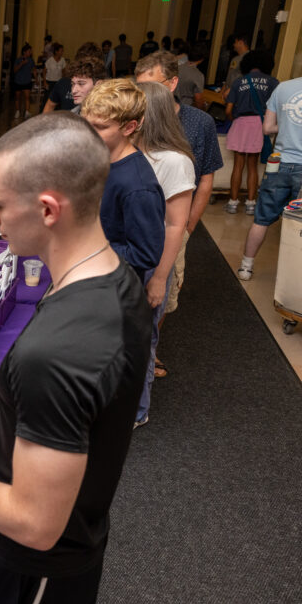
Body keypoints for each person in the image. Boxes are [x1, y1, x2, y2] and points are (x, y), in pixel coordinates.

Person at [0, 113, 153, 604]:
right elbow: (86, 404)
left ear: (47, 209)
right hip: (75, 538)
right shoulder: (115, 279)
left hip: (37, 568)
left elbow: (34, 523)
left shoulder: (55, 352)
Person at [134, 51, 224, 345]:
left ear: (171, 83)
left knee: (166, 290)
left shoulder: (199, 123)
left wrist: (188, 225)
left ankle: (151, 345)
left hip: (176, 220)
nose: (142, 97)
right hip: (142, 226)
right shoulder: (134, 123)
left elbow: (207, 176)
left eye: (151, 87)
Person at [238, 47, 302, 280]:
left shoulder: (285, 87)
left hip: (279, 164)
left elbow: (268, 128)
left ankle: (245, 267)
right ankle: (293, 278)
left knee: (262, 218)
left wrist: (293, 126)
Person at [132, 81, 196, 427]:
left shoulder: (174, 161)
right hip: (125, 260)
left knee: (143, 340)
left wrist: (160, 278)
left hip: (152, 264)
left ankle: (138, 410)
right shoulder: (128, 152)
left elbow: (176, 226)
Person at [81, 79, 165, 280]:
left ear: (129, 128)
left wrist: (86, 247)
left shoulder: (138, 187)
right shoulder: (102, 157)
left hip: (114, 288)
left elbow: (145, 255)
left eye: (100, 127)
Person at [224, 51, 279, 215]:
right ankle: (250, 203)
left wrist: (235, 120)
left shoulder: (238, 81)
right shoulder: (272, 82)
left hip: (240, 124)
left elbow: (228, 109)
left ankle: (232, 203)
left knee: (238, 165)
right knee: (253, 166)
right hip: (259, 125)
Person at [43, 42, 101, 114]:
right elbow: (50, 106)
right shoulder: (63, 83)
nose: (74, 90)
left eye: (82, 83)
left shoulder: (107, 90)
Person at [177, 43, 208, 109]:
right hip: (184, 109)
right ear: (202, 59)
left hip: (169, 106)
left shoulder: (176, 68)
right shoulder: (198, 75)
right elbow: (198, 100)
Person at [13, 44, 35, 120]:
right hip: (18, 81)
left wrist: (36, 79)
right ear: (24, 52)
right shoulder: (18, 60)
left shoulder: (31, 60)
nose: (30, 52)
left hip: (27, 81)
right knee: (17, 97)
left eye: (30, 51)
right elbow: (15, 70)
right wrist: (22, 63)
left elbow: (33, 69)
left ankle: (27, 112)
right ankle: (17, 111)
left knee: (27, 97)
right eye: (29, 51)